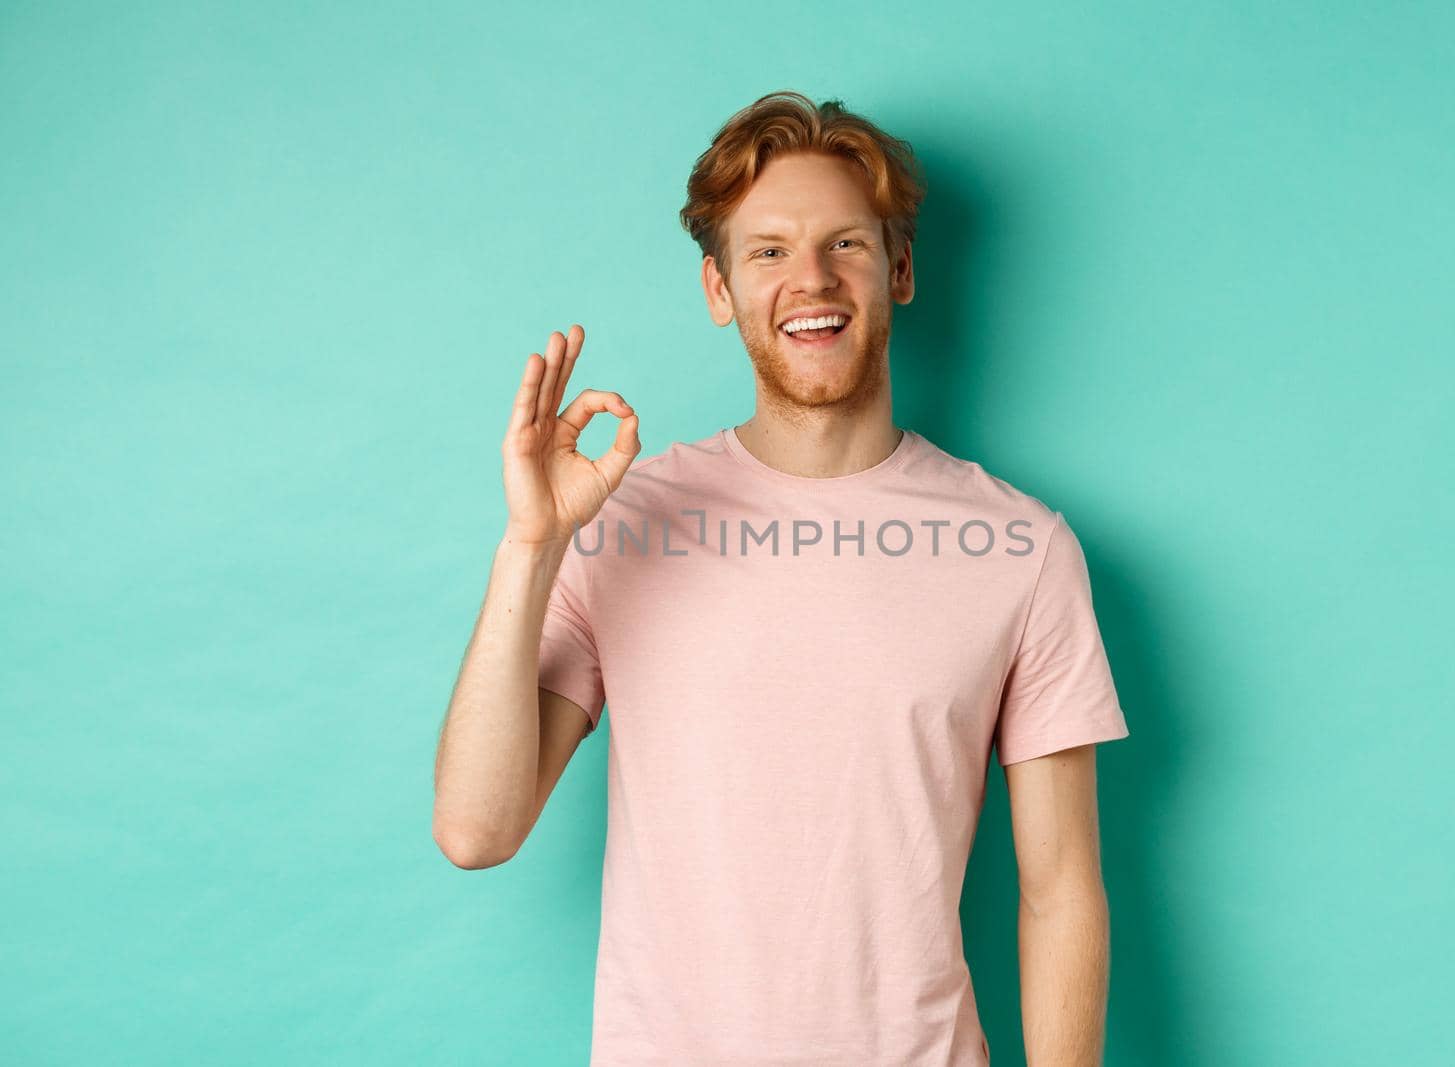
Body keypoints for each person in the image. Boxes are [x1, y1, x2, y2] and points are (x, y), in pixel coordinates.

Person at [432, 89, 1130, 1066]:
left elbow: (1059, 887)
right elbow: (475, 825)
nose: (811, 279)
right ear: (719, 290)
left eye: (844, 244)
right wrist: (530, 545)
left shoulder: (1020, 546)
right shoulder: (625, 521)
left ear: (898, 269)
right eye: (767, 250)